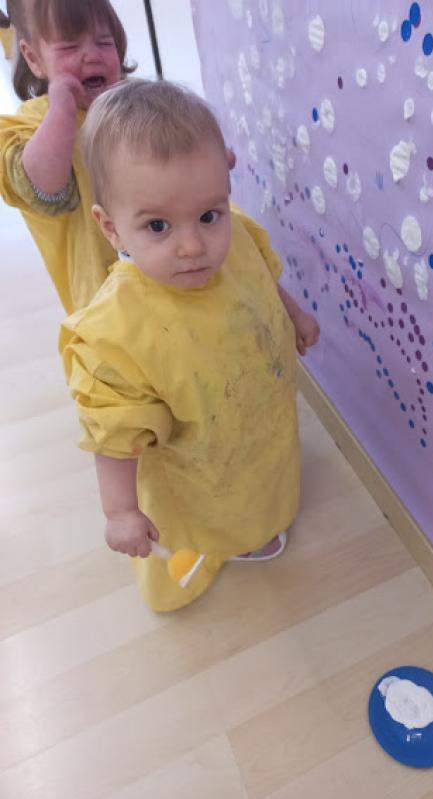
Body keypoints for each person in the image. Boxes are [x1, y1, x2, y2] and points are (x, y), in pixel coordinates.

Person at [60, 79, 320, 612]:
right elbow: (114, 435)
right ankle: (221, 543)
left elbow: (261, 278)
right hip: (195, 462)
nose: (193, 246)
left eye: (208, 215)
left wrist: (293, 314)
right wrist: (120, 512)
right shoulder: (117, 332)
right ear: (111, 228)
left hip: (257, 421)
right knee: (211, 507)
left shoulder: (236, 237)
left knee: (262, 478)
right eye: (158, 225)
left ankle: (256, 522)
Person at [0, 0, 134, 313]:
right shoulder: (30, 125)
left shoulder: (138, 102)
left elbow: (180, 146)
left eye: (104, 43)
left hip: (173, 268)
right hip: (106, 299)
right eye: (70, 47)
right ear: (34, 59)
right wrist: (62, 109)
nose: (92, 55)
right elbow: (43, 189)